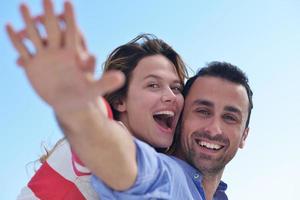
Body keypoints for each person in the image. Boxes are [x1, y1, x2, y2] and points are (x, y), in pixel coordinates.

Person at [7, 0, 187, 199]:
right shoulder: (104, 134)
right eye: (153, 85)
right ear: (120, 101)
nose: (171, 96)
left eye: (176, 88)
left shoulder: (156, 169)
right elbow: (94, 130)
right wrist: (77, 106)